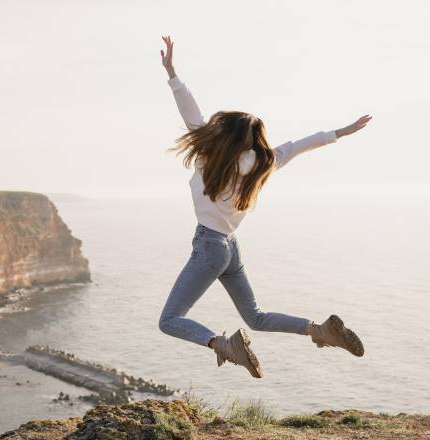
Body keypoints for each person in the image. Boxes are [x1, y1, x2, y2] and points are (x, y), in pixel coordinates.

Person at [157, 35, 372, 378]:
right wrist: (341, 132)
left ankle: (223, 345)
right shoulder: (264, 164)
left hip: (210, 246)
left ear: (223, 134)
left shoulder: (208, 155)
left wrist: (172, 73)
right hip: (230, 248)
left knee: (169, 320)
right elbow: (300, 145)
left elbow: (190, 113)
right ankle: (319, 331)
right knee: (255, 317)